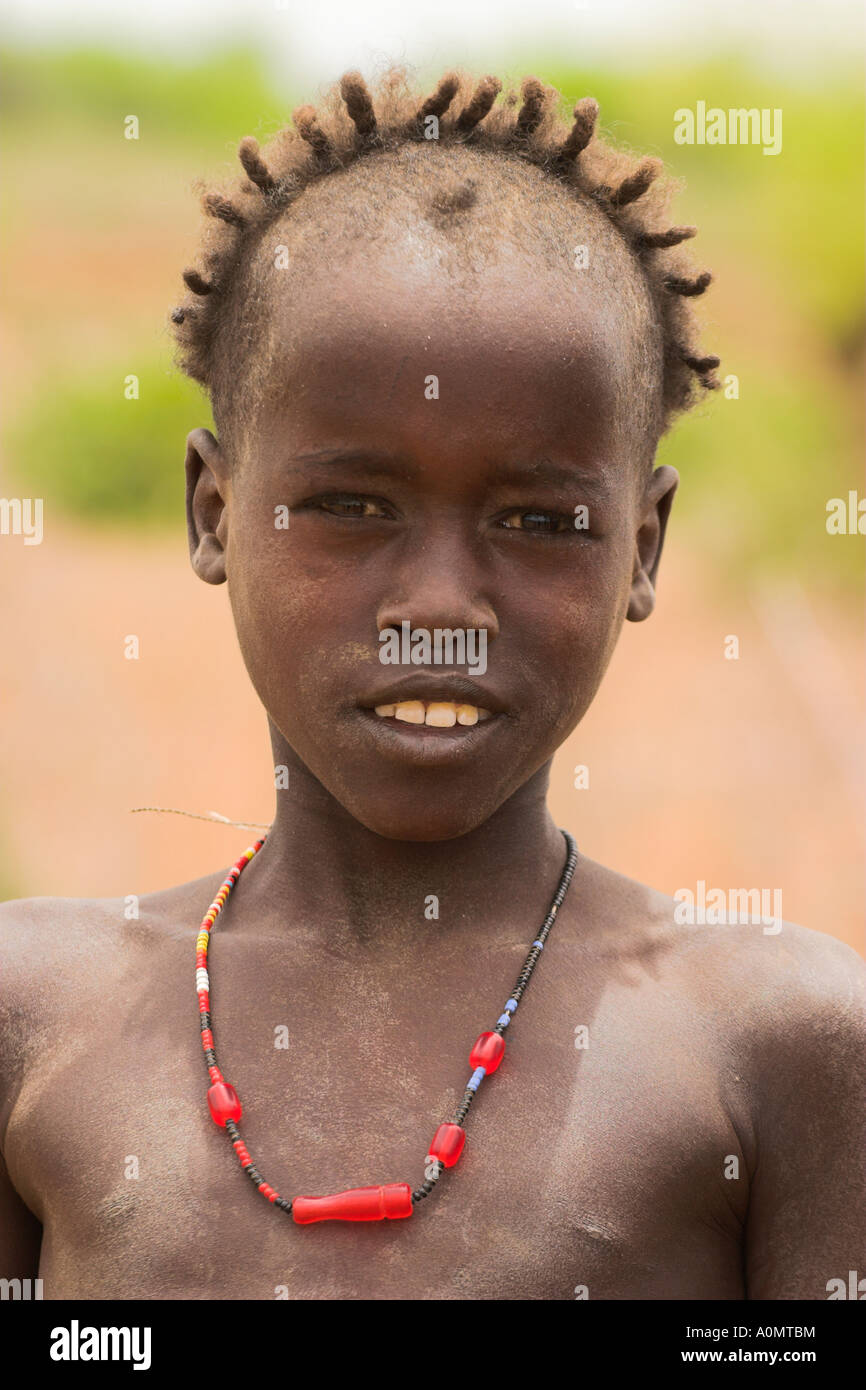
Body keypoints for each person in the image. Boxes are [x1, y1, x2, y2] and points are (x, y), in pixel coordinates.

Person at [1, 67, 863, 1301]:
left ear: (642, 546)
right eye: (352, 508)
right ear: (213, 511)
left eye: (537, 519)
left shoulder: (778, 1042)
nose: (440, 612)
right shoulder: (34, 1018)